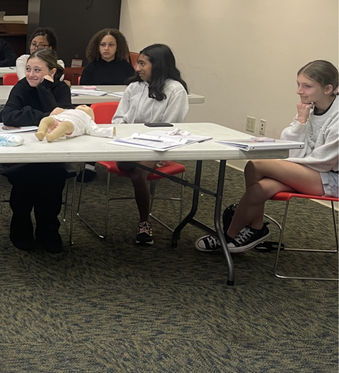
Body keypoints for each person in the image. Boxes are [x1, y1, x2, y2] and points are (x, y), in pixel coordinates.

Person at [196, 60, 338, 254]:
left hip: (330, 178)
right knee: (259, 190)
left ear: (328, 88)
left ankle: (229, 236)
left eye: (307, 86)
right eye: (298, 84)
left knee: (256, 165)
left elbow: (324, 162)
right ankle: (254, 228)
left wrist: (281, 167)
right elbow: (294, 149)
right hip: (310, 172)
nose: (299, 91)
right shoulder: (310, 108)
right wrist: (300, 121)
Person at [111, 43, 189, 245]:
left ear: (159, 65)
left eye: (143, 64)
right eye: (138, 63)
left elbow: (171, 127)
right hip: (129, 145)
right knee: (132, 164)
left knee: (138, 172)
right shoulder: (134, 88)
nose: (138, 68)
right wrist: (128, 134)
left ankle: (144, 222)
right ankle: (144, 219)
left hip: (158, 147)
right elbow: (118, 119)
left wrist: (147, 139)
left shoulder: (175, 90)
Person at [1, 49, 74, 253]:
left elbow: (63, 119)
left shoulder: (60, 89)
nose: (31, 74)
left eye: (37, 70)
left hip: (54, 150)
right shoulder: (21, 87)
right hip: (22, 150)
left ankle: (48, 229)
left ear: (51, 71)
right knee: (26, 176)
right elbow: (8, 116)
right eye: (28, 69)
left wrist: (45, 90)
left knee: (52, 178)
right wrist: (42, 117)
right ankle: (21, 228)